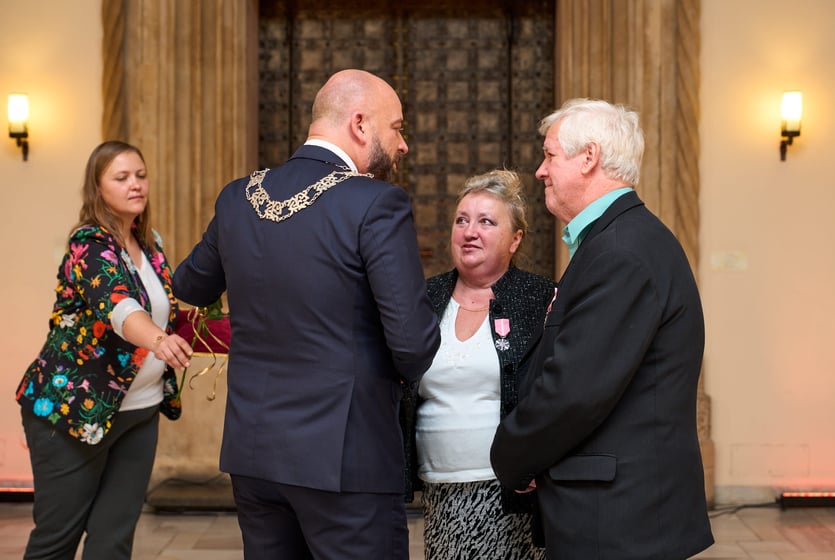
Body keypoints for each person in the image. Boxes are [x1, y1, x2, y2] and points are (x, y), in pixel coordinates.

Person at [172, 69, 441, 560]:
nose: (402, 145)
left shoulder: (239, 198)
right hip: (345, 456)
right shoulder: (376, 203)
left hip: (254, 452)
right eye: (397, 128)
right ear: (360, 124)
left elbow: (190, 284)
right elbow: (413, 343)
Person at [490, 99, 714, 559]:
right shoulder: (621, 239)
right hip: (619, 510)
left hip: (617, 517)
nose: (540, 171)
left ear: (588, 157)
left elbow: (576, 389)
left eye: (550, 155)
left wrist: (513, 457)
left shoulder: (620, 250)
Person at [15, 140, 194, 560]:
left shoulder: (150, 244)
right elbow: (119, 306)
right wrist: (158, 341)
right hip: (72, 413)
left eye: (141, 175)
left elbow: (166, 309)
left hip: (140, 411)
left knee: (113, 540)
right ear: (98, 189)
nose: (136, 185)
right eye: (121, 177)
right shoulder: (89, 244)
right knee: (57, 539)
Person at [401, 169, 555, 559]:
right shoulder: (425, 296)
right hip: (439, 487)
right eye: (462, 220)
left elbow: (558, 389)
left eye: (486, 221)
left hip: (510, 489)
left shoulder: (540, 298)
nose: (470, 231)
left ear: (515, 239)